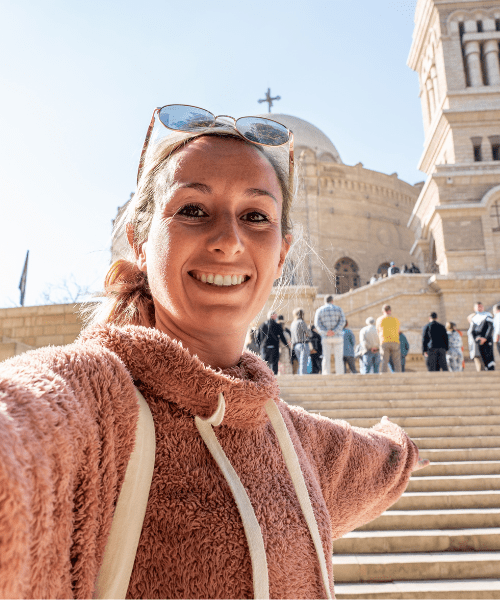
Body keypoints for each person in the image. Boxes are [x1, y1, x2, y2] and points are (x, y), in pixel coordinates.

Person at [0, 105, 428, 599]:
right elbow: (25, 424)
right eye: (193, 210)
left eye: (255, 216)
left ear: (282, 252)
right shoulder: (91, 404)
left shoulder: (291, 441)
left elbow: (387, 459)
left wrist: (409, 448)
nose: (228, 240)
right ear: (138, 242)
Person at [314, 295, 346, 375]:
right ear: (332, 301)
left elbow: (317, 324)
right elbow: (342, 322)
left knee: (326, 357)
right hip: (338, 336)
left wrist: (326, 332)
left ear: (325, 301)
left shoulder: (319, 310)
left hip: (326, 337)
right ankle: (340, 374)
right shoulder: (339, 309)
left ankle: (326, 373)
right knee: (339, 357)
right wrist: (335, 331)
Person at [256, 311, 288, 375]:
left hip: (264, 348)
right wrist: (287, 345)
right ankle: (274, 379)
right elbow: (282, 337)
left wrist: (260, 347)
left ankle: (265, 379)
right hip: (274, 347)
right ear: (274, 316)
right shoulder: (277, 325)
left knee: (264, 365)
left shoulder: (261, 325)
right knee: (274, 365)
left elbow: (257, 339)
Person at [470, 302, 495, 371]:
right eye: (478, 307)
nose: (480, 308)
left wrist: (485, 338)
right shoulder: (474, 318)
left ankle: (491, 370)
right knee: (482, 357)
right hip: (478, 340)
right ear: (474, 308)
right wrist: (476, 338)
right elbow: (472, 331)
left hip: (487, 339)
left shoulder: (488, 315)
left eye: (481, 306)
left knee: (489, 356)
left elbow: (490, 327)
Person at [376, 305, 402, 373]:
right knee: (397, 360)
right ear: (390, 311)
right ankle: (398, 375)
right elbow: (398, 331)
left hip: (384, 341)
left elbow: (377, 331)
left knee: (384, 360)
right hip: (395, 341)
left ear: (383, 311)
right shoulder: (396, 319)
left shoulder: (379, 319)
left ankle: (384, 375)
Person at [290, 308, 311, 376]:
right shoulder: (301, 322)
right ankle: (303, 377)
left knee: (300, 362)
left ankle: (300, 375)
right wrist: (309, 330)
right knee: (304, 362)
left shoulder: (293, 323)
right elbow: (309, 334)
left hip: (296, 345)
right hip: (303, 344)